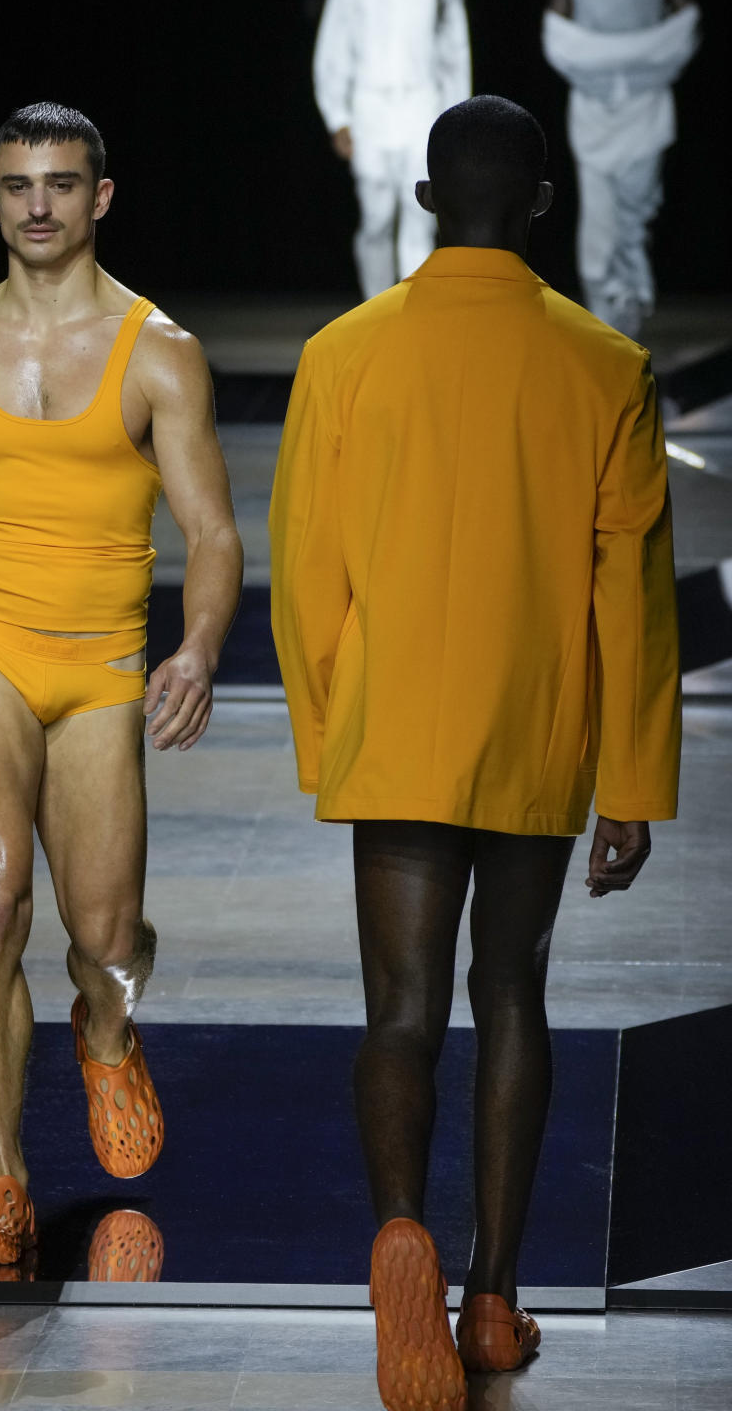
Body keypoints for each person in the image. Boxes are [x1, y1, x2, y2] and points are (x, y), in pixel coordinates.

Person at [270, 95, 680, 1409]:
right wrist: (633, 780)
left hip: (397, 723)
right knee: (514, 998)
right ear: (544, 202)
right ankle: (493, 1300)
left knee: (400, 1009)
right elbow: (635, 599)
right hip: (535, 724)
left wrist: (331, 734)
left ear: (431, 203)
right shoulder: (605, 367)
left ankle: (402, 1230)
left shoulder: (345, 353)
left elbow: (305, 574)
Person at [0, 102, 243, 1265]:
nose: (38, 205)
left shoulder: (159, 352)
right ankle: (0, 1182)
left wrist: (201, 645)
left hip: (104, 668)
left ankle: (108, 1027)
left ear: (100, 197)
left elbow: (213, 531)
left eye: (61, 185)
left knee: (105, 930)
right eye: (18, 185)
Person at [543, 0, 700, 338]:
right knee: (599, 232)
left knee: (631, 227)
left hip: (644, 107)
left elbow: (686, 25)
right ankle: (605, 335)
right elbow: (558, 33)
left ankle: (625, 334)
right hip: (595, 109)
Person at [313, 0, 471, 300]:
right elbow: (333, 50)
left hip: (422, 107)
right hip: (370, 111)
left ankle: (415, 311)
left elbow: (455, 53)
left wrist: (455, 118)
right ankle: (378, 306)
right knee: (377, 218)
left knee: (421, 216)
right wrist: (337, 117)